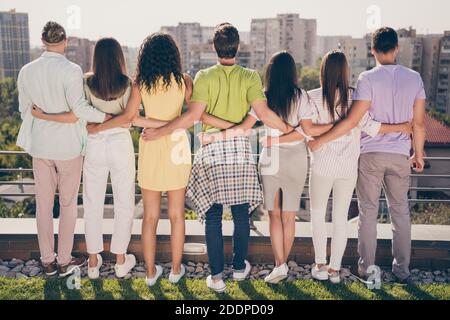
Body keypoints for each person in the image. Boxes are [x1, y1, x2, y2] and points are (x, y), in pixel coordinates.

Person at [140, 23, 293, 292]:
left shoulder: (203, 77)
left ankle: (216, 276)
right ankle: (239, 268)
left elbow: (194, 116)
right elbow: (265, 114)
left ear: (214, 47)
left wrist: (163, 130)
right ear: (238, 47)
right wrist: (288, 129)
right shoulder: (250, 76)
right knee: (241, 214)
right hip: (239, 150)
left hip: (211, 149)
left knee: (213, 216)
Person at [199, 51, 331, 284]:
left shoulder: (264, 97)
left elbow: (243, 129)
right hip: (297, 159)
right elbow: (306, 131)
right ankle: (281, 265)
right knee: (289, 216)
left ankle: (280, 265)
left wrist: (213, 138)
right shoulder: (302, 97)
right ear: (293, 73)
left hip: (270, 160)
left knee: (273, 215)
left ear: (270, 73)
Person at [309, 28, 426, 284]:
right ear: (397, 48)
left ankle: (366, 269)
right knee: (401, 212)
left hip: (370, 154)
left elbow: (353, 120)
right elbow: (418, 123)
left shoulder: (367, 79)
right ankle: (402, 270)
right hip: (399, 155)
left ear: (372, 50)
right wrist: (418, 153)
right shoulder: (415, 78)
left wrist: (320, 141)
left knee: (368, 213)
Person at [86, 33, 193, 286]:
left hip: (151, 148)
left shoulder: (140, 84)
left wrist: (100, 128)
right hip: (178, 147)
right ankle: (176, 270)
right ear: (173, 56)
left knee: (150, 217)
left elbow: (129, 118)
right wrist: (171, 125)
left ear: (146, 56)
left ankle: (150, 274)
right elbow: (192, 117)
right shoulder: (185, 81)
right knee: (177, 215)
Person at [31, 38, 141, 279]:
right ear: (119, 58)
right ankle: (121, 260)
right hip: (120, 143)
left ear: (96, 57)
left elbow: (79, 114)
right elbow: (128, 119)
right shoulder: (129, 84)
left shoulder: (86, 82)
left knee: (92, 203)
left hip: (94, 144)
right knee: (124, 203)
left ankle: (93, 263)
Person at [16, 21, 107, 277]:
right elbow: (78, 111)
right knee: (68, 205)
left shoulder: (26, 71)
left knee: (43, 205)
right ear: (65, 41)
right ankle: (65, 260)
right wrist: (106, 116)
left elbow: (26, 112)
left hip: (41, 147)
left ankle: (47, 261)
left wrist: (42, 117)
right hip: (68, 148)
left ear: (43, 42)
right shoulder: (72, 69)